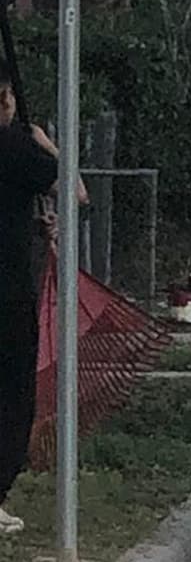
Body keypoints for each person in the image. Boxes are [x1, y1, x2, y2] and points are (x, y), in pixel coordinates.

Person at [0, 65, 81, 534]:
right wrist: (48, 147)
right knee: (12, 395)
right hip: (8, 293)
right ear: (7, 98)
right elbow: (75, 193)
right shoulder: (16, 148)